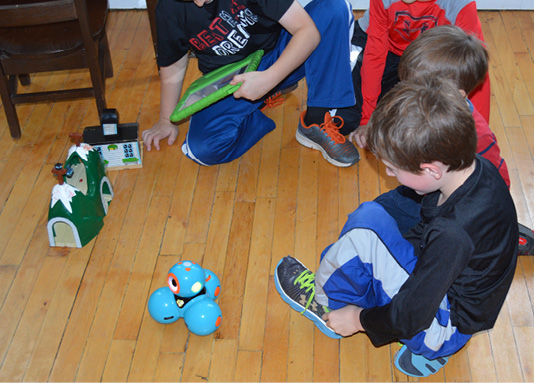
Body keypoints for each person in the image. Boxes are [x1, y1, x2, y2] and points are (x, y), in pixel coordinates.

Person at [274, 77, 518, 377]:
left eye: (393, 169)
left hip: (444, 324)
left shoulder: (452, 235)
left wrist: (358, 319)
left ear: (431, 169)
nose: (388, 173)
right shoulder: (478, 168)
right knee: (385, 212)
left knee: (365, 228)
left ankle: (327, 304)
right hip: (465, 300)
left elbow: (409, 317)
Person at [141, 0, 360, 168]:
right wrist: (164, 119)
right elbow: (174, 65)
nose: (198, 3)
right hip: (228, 83)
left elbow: (308, 32)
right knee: (203, 150)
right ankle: (257, 106)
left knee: (333, 9)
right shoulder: (168, 8)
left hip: (279, 59)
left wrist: (270, 78)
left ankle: (316, 120)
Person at [336, 0, 491, 138]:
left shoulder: (461, 5)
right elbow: (374, 56)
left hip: (422, 60)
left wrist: (477, 137)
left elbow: (475, 69)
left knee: (413, 125)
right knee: (345, 120)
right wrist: (367, 118)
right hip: (377, 44)